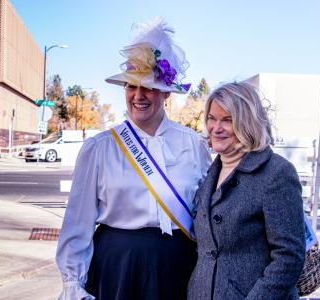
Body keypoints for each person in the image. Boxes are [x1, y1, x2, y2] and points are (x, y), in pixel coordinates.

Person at [56, 19, 211, 300]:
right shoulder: (99, 148)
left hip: (178, 266)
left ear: (165, 92)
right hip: (117, 266)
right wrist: (72, 282)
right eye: (130, 87)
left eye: (148, 87)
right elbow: (78, 222)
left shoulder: (193, 144)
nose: (138, 96)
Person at [187, 81, 306, 300]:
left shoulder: (277, 173)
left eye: (227, 120)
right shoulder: (210, 173)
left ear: (247, 122)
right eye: (212, 118)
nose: (216, 128)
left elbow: (289, 257)